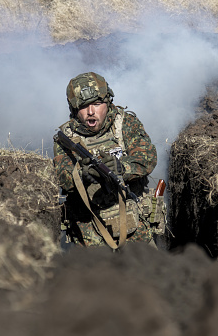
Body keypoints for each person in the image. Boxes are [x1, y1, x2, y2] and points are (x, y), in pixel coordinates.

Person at [53, 72, 166, 249]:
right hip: (89, 235)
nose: (91, 112)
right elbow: (62, 175)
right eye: (83, 106)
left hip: (137, 231)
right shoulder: (65, 138)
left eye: (97, 104)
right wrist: (82, 176)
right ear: (74, 109)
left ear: (108, 102)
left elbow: (147, 157)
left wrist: (122, 167)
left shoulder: (125, 123)